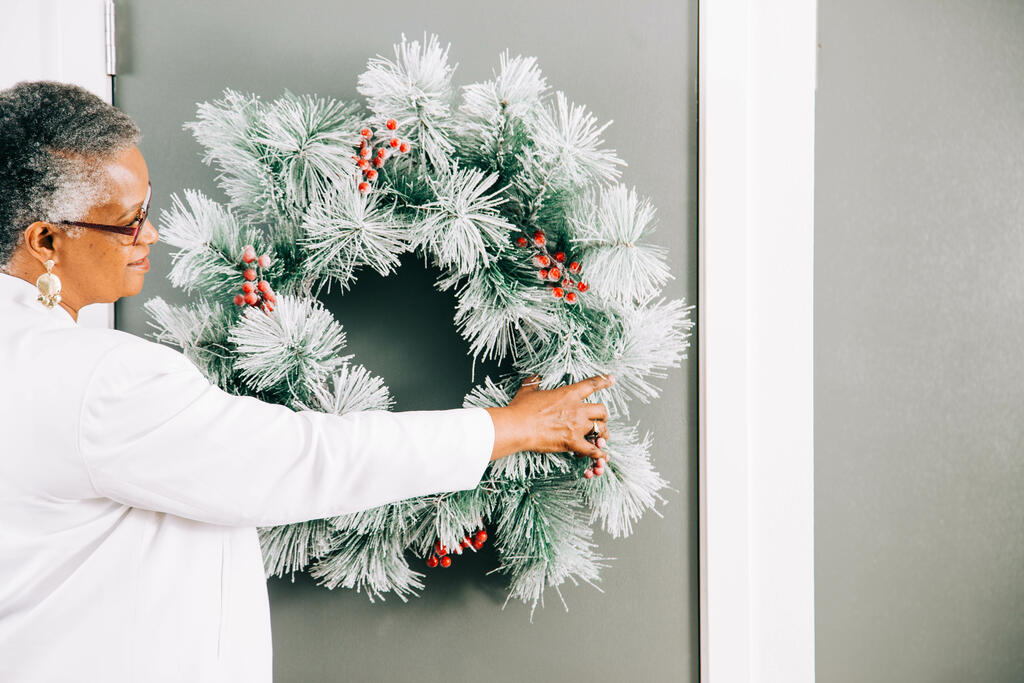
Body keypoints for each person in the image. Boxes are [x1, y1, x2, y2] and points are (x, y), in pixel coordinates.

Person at [0, 81, 613, 682]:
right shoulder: (98, 381)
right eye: (130, 221)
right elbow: (304, 460)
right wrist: (511, 425)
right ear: (46, 240)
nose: (151, 234)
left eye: (149, 209)